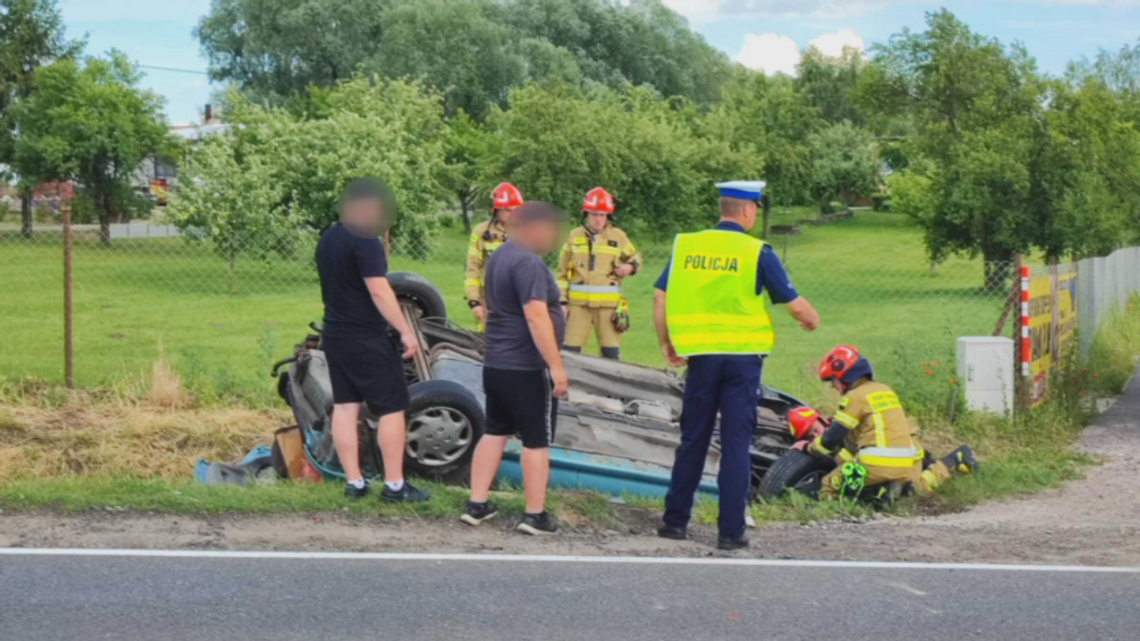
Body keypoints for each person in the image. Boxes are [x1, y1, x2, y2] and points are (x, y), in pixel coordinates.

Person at [654, 180, 821, 550]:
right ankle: (730, 532)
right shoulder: (756, 251)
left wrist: (666, 341)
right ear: (747, 211)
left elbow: (659, 294)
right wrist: (811, 320)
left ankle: (675, 522)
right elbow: (793, 303)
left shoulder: (688, 246)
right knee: (735, 443)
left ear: (723, 208)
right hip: (742, 363)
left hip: (700, 358)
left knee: (693, 439)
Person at [314, 178, 429, 503]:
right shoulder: (366, 239)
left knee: (346, 407)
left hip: (334, 333)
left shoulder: (328, 239)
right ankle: (395, 486)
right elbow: (379, 290)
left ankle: (355, 483)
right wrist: (405, 330)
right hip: (365, 336)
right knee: (392, 407)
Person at [461, 201, 570, 535]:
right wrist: (555, 366)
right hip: (526, 366)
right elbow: (536, 316)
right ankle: (534, 514)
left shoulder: (501, 256)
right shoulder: (528, 263)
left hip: (496, 363)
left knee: (495, 431)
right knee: (536, 440)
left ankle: (477, 504)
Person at [798, 345, 979, 501]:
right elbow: (857, 441)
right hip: (906, 463)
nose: (833, 387)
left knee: (829, 486)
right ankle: (882, 491)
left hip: (875, 464)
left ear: (844, 376)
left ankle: (869, 495)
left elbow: (831, 438)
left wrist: (808, 447)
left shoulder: (855, 397)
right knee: (917, 488)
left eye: (833, 381)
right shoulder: (885, 390)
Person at [557, 187, 643, 360]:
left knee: (610, 354)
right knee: (569, 352)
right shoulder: (573, 237)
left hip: (608, 307)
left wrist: (630, 267)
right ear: (587, 214)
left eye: (602, 215)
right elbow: (562, 273)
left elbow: (636, 257)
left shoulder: (618, 236)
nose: (597, 219)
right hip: (578, 306)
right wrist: (562, 302)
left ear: (608, 216)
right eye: (594, 214)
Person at [465, 182, 524, 331]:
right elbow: (473, 269)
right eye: (508, 210)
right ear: (497, 209)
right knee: (486, 343)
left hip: (518, 301)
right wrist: (475, 301)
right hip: (489, 301)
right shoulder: (481, 232)